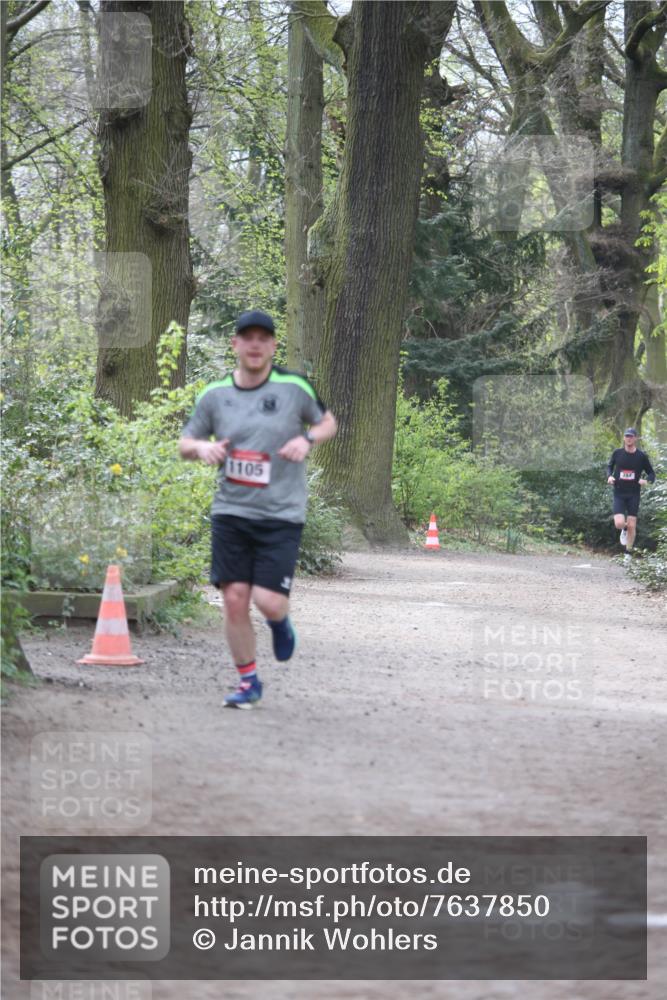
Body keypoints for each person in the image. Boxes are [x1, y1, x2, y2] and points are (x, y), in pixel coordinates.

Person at [179, 309, 337, 708]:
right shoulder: (214, 395)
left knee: (267, 601)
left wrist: (307, 439)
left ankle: (280, 622)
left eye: (262, 338)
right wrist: (203, 448)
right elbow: (185, 443)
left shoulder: (293, 387)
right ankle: (249, 682)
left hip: (281, 513)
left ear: (272, 346)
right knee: (234, 597)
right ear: (234, 345)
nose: (254, 345)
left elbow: (328, 423)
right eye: (246, 338)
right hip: (231, 511)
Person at [607, 428, 656, 561]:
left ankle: (628, 554)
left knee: (632, 524)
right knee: (619, 523)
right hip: (619, 492)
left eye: (631, 436)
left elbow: (652, 473)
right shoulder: (617, 453)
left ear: (635, 438)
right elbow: (609, 466)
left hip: (634, 494)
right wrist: (610, 476)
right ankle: (624, 529)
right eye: (626, 436)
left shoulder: (641, 456)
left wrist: (646, 481)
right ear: (624, 438)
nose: (628, 438)